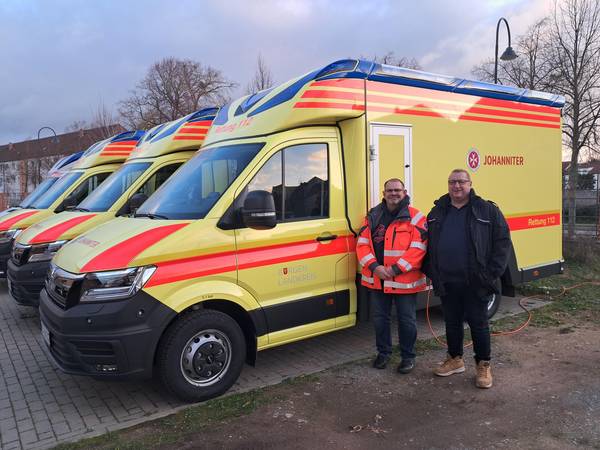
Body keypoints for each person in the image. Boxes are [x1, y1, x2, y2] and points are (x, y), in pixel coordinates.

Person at [423, 169, 511, 388]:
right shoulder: (437, 211)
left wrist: (489, 275)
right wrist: (431, 272)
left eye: (461, 182)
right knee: (451, 323)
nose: (457, 186)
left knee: (478, 324)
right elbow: (426, 246)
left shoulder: (487, 210)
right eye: (452, 182)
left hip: (475, 282)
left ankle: (483, 365)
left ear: (470, 184)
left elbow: (502, 243)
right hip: (447, 281)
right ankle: (455, 359)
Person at [356, 178, 428, 373]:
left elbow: (418, 248)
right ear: (384, 193)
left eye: (397, 190)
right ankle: (384, 353)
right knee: (380, 320)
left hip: (404, 281)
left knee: (407, 321)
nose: (393, 193)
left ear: (404, 192)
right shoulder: (372, 216)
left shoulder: (416, 217)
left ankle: (408, 357)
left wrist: (394, 270)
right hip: (377, 279)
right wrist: (375, 267)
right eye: (390, 190)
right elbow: (362, 244)